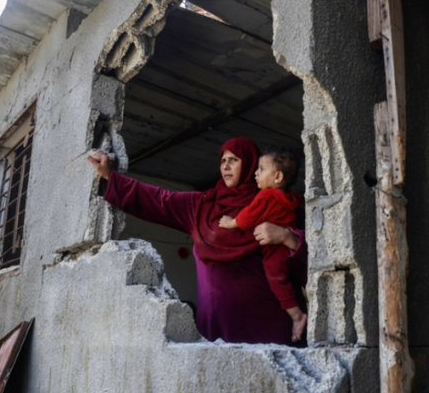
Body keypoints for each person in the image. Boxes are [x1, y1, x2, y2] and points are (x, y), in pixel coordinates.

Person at [87, 137, 307, 346]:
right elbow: (158, 199)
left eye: (234, 160)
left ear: (250, 164)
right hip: (216, 325)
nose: (226, 166)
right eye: (222, 160)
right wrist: (110, 177)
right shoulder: (201, 206)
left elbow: (314, 255)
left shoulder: (276, 203)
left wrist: (287, 236)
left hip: (269, 325)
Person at [219, 147, 306, 342]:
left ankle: (297, 316)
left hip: (275, 250)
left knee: (276, 278)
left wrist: (231, 223)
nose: (256, 174)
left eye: (261, 169)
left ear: (277, 177)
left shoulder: (266, 195)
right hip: (289, 250)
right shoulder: (289, 198)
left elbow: (248, 216)